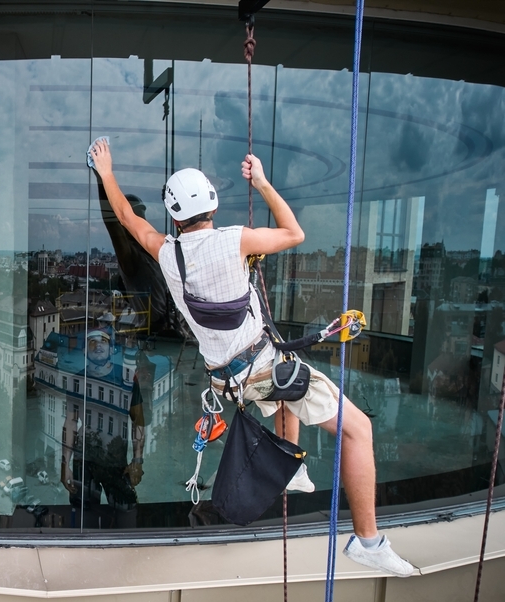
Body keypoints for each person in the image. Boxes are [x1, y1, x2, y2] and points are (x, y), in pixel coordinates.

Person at [88, 138, 414, 578]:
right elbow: (295, 233)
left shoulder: (167, 254)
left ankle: (292, 469)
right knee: (358, 429)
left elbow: (127, 219)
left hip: (229, 379)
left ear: (174, 217)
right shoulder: (236, 241)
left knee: (284, 386)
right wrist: (261, 183)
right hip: (262, 368)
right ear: (212, 205)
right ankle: (369, 541)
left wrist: (106, 171)